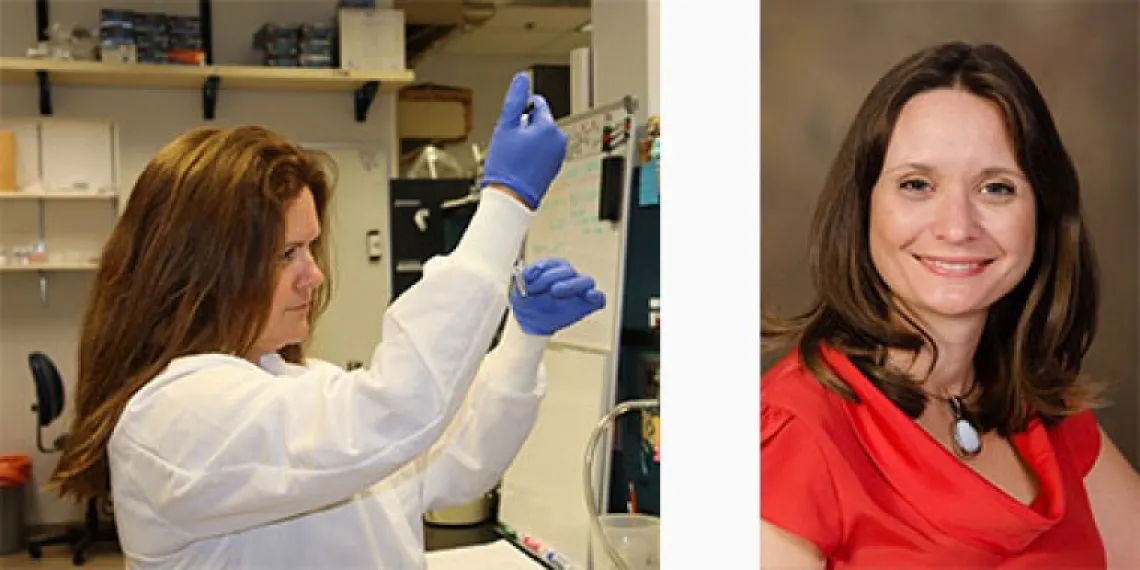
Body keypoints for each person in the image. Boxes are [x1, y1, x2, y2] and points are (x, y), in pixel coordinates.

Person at [47, 73, 606, 569]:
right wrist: (506, 201)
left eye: (310, 249)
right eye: (284, 255)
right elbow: (391, 413)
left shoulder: (297, 383)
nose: (312, 277)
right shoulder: (171, 415)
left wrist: (524, 341)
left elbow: (453, 464)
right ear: (203, 269)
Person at [760, 41, 1140, 569]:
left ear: (1044, 213)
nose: (957, 227)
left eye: (997, 188)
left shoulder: (1048, 413)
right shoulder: (793, 432)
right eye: (917, 184)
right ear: (864, 206)